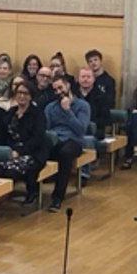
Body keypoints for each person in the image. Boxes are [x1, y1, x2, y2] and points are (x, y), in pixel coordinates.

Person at [0, 80, 47, 205]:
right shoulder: (11, 112)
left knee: (11, 171)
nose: (22, 96)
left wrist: (19, 152)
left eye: (25, 93)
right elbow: (2, 135)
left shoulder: (38, 114)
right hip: (10, 150)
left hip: (32, 152)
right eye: (19, 92)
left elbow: (37, 139)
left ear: (31, 96)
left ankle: (29, 193)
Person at [44, 75, 90, 212]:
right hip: (55, 140)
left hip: (74, 141)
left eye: (60, 88)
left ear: (68, 86)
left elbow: (81, 129)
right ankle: (32, 193)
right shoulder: (50, 108)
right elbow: (47, 128)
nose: (58, 92)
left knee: (65, 154)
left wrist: (68, 111)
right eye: (55, 90)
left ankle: (57, 198)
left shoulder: (83, 106)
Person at [72, 66, 111, 140]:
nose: (85, 79)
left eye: (88, 77)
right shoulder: (72, 95)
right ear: (78, 79)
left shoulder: (102, 97)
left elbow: (105, 119)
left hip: (94, 130)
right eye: (83, 77)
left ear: (94, 79)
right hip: (74, 128)